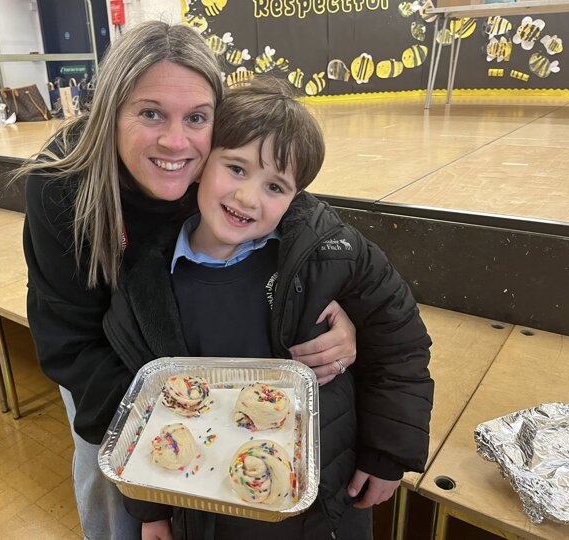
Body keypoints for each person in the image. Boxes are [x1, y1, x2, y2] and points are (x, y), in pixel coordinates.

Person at [18, 22, 357, 539]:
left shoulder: (222, 163)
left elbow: (304, 225)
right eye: (150, 113)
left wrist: (340, 312)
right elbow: (71, 344)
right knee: (108, 480)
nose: (176, 142)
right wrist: (147, 499)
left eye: (196, 117)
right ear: (110, 111)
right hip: (102, 365)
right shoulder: (60, 188)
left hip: (190, 359)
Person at [102, 79, 434, 539]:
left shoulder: (330, 255)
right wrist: (150, 510)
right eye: (236, 168)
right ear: (201, 164)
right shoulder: (146, 283)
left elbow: (400, 342)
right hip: (209, 513)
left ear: (296, 196)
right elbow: (141, 405)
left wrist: (388, 453)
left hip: (323, 510)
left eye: (275, 186)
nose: (248, 198)